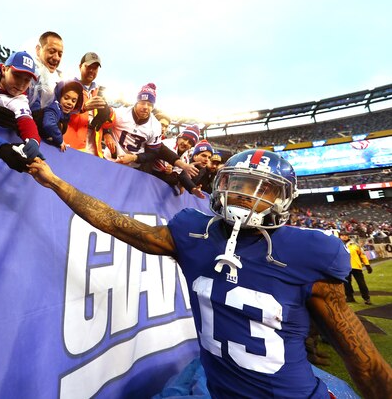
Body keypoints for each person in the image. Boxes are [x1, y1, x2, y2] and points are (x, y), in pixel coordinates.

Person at [27, 149, 392, 398]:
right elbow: (117, 224)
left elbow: (363, 362)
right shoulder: (193, 232)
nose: (246, 197)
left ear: (285, 200)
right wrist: (56, 182)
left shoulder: (309, 251)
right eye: (240, 184)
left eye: (262, 190)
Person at [63, 52, 115, 157]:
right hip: (71, 148)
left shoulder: (100, 92)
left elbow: (108, 124)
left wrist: (108, 114)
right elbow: (60, 114)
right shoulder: (68, 86)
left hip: (94, 151)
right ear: (80, 66)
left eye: (95, 68)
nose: (91, 71)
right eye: (88, 67)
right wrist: (83, 108)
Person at [0, 50, 44, 159]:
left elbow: (26, 120)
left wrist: (33, 139)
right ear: (4, 69)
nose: (21, 84)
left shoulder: (20, 100)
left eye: (27, 80)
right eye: (17, 76)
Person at [104, 83, 161, 170]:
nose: (146, 107)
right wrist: (106, 134)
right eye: (142, 103)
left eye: (149, 104)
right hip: (109, 160)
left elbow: (153, 154)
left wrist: (134, 157)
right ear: (136, 103)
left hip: (132, 168)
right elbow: (102, 123)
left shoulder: (156, 126)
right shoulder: (120, 113)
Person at [39, 80, 83, 152]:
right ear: (59, 96)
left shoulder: (65, 115)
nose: (69, 102)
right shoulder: (54, 107)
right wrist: (60, 141)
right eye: (66, 98)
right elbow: (49, 124)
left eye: (73, 101)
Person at [28, 31, 63, 115]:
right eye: (51, 51)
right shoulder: (27, 73)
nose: (56, 58)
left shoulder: (58, 81)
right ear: (38, 49)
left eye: (60, 54)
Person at [340, 231, 373, 305]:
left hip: (356, 267)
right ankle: (349, 297)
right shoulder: (337, 245)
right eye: (342, 235)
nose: (344, 236)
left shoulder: (355, 245)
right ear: (340, 236)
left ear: (348, 236)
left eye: (346, 235)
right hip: (344, 267)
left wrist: (367, 265)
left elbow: (362, 255)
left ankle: (366, 298)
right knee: (346, 284)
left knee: (361, 283)